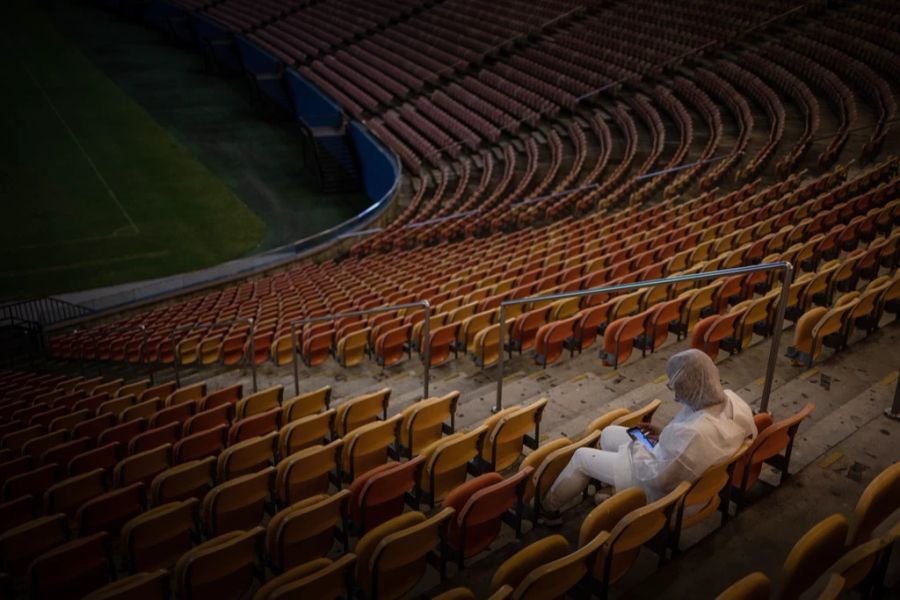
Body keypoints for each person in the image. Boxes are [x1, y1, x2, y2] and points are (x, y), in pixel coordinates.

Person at [544, 349, 757, 515]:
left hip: (662, 491)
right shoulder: (735, 403)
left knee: (582, 457)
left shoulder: (691, 433)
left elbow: (657, 478)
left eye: (678, 390)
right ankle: (614, 490)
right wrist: (663, 435)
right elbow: (694, 445)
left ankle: (549, 509)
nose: (676, 397)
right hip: (685, 466)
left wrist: (638, 445)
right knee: (609, 433)